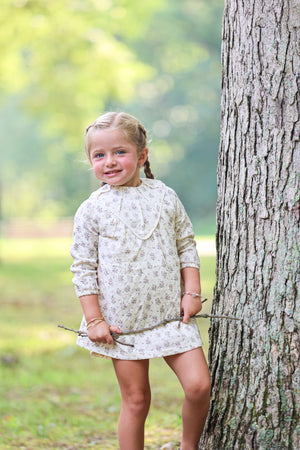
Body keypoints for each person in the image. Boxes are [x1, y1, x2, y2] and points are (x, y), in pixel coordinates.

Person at [70, 112, 211, 450]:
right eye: (99, 155)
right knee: (136, 400)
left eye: (120, 152)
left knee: (198, 386)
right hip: (124, 325)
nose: (109, 162)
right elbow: (83, 268)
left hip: (171, 319)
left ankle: (189, 446)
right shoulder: (92, 210)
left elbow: (186, 246)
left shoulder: (164, 197)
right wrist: (94, 320)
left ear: (142, 155)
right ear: (91, 161)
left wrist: (192, 292)